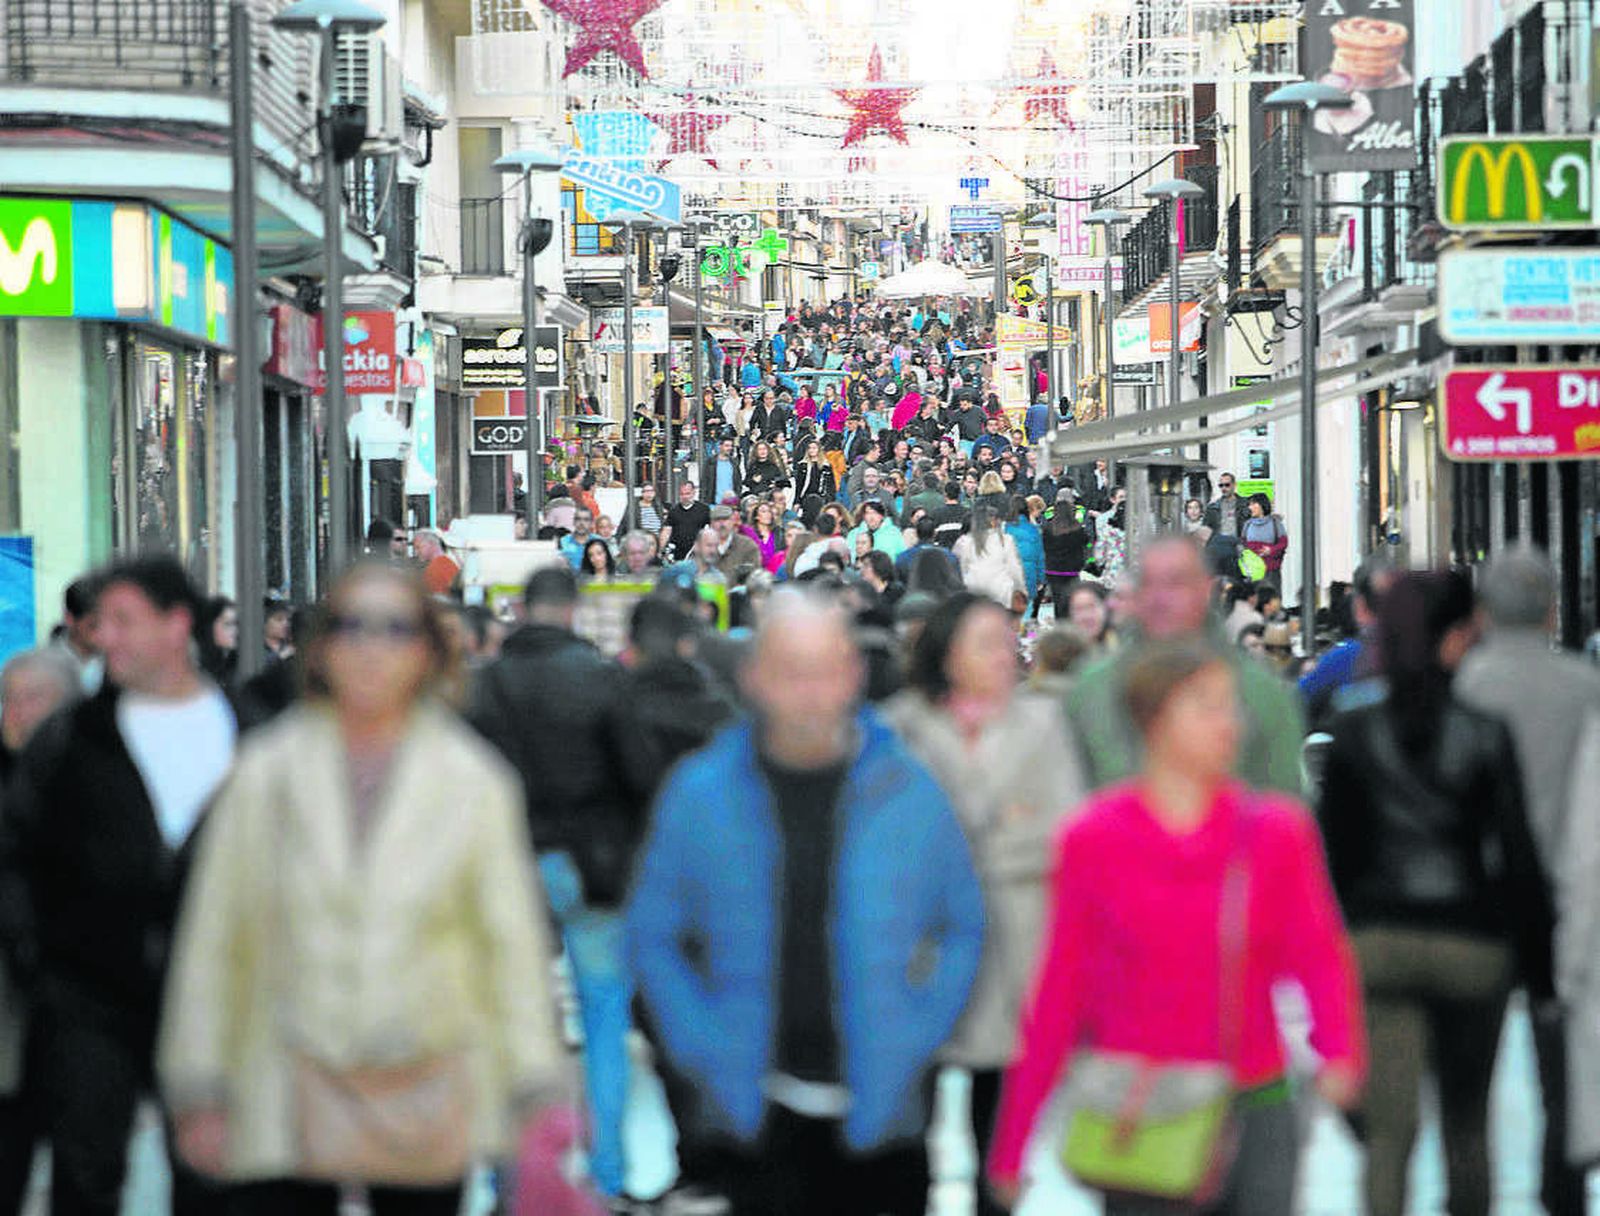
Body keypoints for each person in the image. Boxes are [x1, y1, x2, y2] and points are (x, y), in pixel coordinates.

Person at [159, 562, 565, 1215]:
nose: (372, 648)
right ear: (319, 647)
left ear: (430, 651)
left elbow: (509, 945)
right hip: (286, 1074)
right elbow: (214, 935)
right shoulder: (265, 773)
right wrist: (198, 1081)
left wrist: (532, 1088)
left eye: (396, 629)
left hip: (428, 1083)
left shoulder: (474, 784)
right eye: (351, 626)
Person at [626, 592, 985, 1216]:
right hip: (752, 1115)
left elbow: (963, 924)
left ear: (852, 676)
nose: (810, 693)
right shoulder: (702, 792)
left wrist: (920, 1031)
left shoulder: (907, 789)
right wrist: (701, 1043)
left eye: (825, 671)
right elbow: (653, 934)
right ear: (753, 678)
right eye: (791, 672)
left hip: (885, 1113)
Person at [988, 638, 1365, 1214]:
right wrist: (1013, 1145)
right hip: (1142, 1110)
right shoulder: (1095, 839)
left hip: (1255, 1104)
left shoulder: (1275, 834)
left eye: (1230, 705)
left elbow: (1316, 952)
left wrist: (1338, 1050)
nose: (1229, 722)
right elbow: (1062, 988)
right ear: (1154, 720)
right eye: (1207, 705)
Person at [0, 556, 236, 1216]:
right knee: (85, 1171)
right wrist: (37, 958)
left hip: (215, 997)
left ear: (177, 624)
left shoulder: (243, 731)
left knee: (213, 1177)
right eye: (102, 624)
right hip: (87, 996)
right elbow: (16, 850)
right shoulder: (72, 739)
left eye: (124, 622)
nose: (107, 639)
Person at [1316, 570, 1554, 1216]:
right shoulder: (1484, 729)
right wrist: (1538, 962)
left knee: (1389, 1134)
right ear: (1456, 636)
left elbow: (1337, 858)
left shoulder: (1353, 733)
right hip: (1471, 942)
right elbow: (1518, 855)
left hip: (1381, 941)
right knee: (1467, 1124)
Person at [883, 594, 1084, 1216]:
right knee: (903, 1123)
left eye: (1009, 640)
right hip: (917, 948)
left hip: (1012, 944)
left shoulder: (1044, 725)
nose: (1006, 654)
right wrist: (1001, 832)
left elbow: (1066, 828)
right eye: (987, 643)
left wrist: (966, 850)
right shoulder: (899, 728)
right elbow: (883, 840)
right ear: (947, 653)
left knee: (998, 1122)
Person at [467, 566, 640, 1202]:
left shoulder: (483, 687)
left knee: (508, 1023)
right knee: (603, 1019)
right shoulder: (601, 679)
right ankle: (610, 1172)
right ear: (572, 610)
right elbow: (635, 771)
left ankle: (505, 1176)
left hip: (506, 865)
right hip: (590, 866)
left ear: (519, 610)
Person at [1453, 549, 1600, 1213]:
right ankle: (1560, 1178)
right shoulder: (1584, 686)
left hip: (1481, 895)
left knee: (1469, 1061)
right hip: (1564, 893)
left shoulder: (1462, 687)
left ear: (1482, 612)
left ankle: (1469, 1181)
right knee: (1560, 1045)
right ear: (1550, 610)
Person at [1065, 538, 1305, 794]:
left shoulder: (1259, 692)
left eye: (1175, 583)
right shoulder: (1092, 688)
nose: (1160, 598)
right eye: (1148, 584)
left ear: (1205, 590)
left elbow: (1285, 798)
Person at [0, 646, 82, 1209]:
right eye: (8, 698)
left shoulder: (95, 780)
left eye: (34, 699)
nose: (17, 712)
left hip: (80, 1006)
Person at [953, 505, 1025, 614]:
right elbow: (1014, 568)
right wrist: (1020, 588)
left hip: (974, 590)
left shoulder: (964, 542)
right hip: (1001, 590)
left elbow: (961, 568)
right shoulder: (1005, 541)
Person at [51, 575, 104, 694]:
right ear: (69, 619)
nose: (103, 633)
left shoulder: (118, 665)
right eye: (93, 625)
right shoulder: (41, 669)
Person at [1041, 489, 1091, 612]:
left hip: (1053, 569)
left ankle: (1059, 621)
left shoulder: (1048, 528)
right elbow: (1086, 542)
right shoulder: (1077, 529)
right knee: (1071, 598)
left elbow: (1044, 546)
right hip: (1072, 569)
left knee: (1057, 599)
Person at [1239, 493, 1288, 587]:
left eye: (1253, 504)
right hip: (1252, 570)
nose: (1250, 507)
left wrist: (1271, 550)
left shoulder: (1275, 523)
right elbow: (1243, 543)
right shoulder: (1248, 524)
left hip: (1270, 570)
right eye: (1249, 504)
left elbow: (1283, 543)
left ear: (1262, 505)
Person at [711, 505, 763, 585]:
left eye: (725, 519)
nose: (722, 524)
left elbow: (755, 578)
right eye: (717, 520)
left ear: (732, 521)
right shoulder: (702, 547)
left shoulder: (748, 546)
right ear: (711, 523)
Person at [662, 479, 712, 563]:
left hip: (697, 552)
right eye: (682, 494)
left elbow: (712, 529)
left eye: (687, 493)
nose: (685, 497)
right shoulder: (673, 511)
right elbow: (666, 531)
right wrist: (660, 549)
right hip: (677, 554)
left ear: (693, 493)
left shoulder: (704, 509)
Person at [196, 595, 239, 687]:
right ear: (210, 627)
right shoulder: (198, 666)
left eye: (236, 624)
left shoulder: (238, 663)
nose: (235, 631)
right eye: (227, 624)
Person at [742, 500, 787, 575]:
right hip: (755, 574)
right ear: (756, 516)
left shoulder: (779, 533)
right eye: (763, 511)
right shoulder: (750, 534)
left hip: (776, 574)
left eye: (769, 511)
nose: (767, 514)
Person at [413, 530, 461, 597]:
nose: (416, 552)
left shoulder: (436, 567)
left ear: (431, 544)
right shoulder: (448, 562)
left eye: (418, 547)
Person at [1203, 472, 1249, 540]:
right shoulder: (1212, 507)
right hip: (1220, 546)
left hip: (1239, 545)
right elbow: (1205, 530)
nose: (1224, 488)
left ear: (1234, 485)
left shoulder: (1246, 504)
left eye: (1227, 485)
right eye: (1221, 485)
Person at [702, 436, 743, 505]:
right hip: (714, 503)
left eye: (731, 446)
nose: (729, 448)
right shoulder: (710, 463)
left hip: (731, 503)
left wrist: (737, 498)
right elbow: (704, 483)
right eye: (726, 446)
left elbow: (738, 483)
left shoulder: (734, 463)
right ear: (720, 446)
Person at [262, 597, 295, 663]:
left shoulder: (291, 646)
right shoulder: (254, 649)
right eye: (279, 619)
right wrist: (279, 657)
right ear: (265, 623)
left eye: (288, 620)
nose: (286, 624)